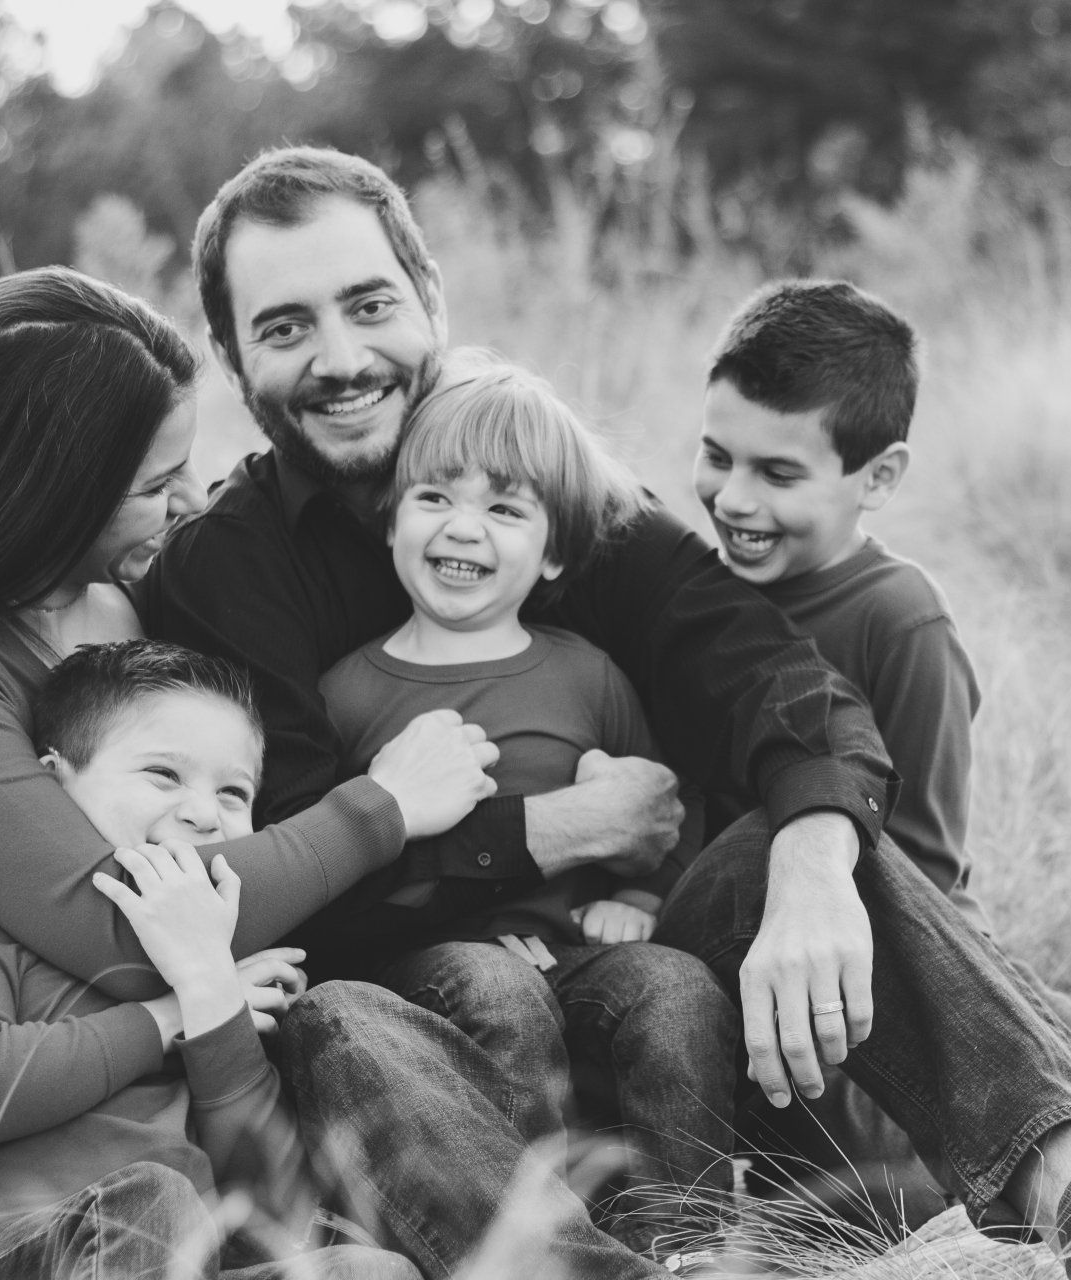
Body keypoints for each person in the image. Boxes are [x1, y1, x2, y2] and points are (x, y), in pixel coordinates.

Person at [144, 143, 1071, 1280]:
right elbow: (304, 866)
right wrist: (542, 837)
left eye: (369, 305)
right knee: (344, 1013)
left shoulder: (549, 487)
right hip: (420, 1051)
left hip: (644, 997)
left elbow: (762, 668)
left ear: (428, 297)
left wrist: (813, 862)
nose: (344, 357)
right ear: (230, 353)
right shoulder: (224, 574)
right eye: (287, 326)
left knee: (788, 841)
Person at [0, 267, 497, 1280]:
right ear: (44, 496)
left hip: (99, 1087)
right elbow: (127, 929)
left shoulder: (114, 615)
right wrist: (381, 807)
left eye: (184, 466)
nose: (185, 502)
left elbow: (193, 821)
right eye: (149, 485)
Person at [689, 280, 1071, 1219]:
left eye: (777, 474)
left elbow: (925, 874)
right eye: (716, 456)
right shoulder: (690, 599)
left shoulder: (899, 621)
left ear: (880, 478)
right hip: (742, 985)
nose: (733, 499)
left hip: (879, 958)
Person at [317, 354, 738, 1263]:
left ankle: (688, 1240)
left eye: (505, 509)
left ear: (553, 552)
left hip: (577, 958)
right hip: (429, 973)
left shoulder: (585, 673)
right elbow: (342, 869)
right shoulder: (347, 690)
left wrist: (644, 899)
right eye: (435, 497)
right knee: (492, 985)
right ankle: (546, 1242)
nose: (463, 527)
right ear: (391, 517)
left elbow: (664, 806)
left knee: (674, 988)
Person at [0, 639, 415, 1280]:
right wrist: (169, 1016)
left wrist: (213, 999)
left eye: (233, 793)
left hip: (185, 1258)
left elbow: (265, 1195)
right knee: (149, 1200)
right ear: (52, 786)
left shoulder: (216, 957)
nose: (201, 813)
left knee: (369, 1271)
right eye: (163, 774)